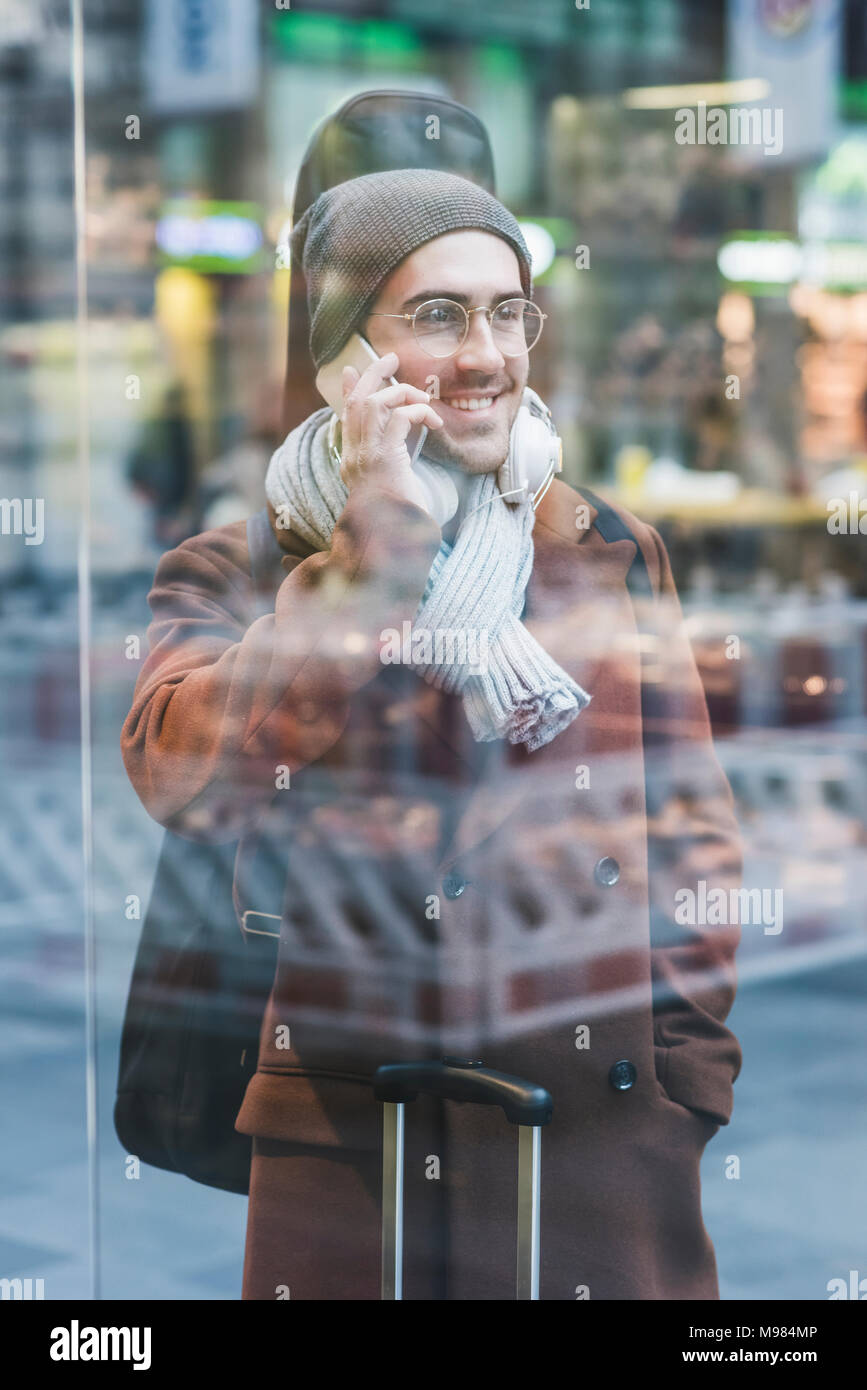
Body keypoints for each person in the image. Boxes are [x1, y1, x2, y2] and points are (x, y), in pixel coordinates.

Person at [121, 168, 742, 1300]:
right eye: (439, 315)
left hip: (600, 1140)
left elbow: (695, 831)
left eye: (508, 311)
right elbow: (178, 775)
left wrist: (686, 1083)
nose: (488, 354)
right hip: (355, 1149)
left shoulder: (608, 541)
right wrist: (371, 558)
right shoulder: (244, 563)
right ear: (347, 357)